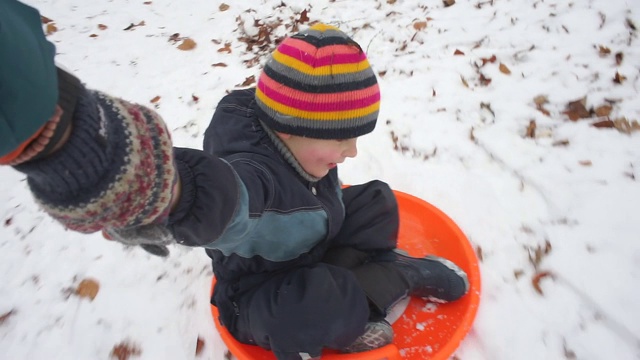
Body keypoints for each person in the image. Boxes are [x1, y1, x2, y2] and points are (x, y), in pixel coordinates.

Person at [1, 1, 469, 359]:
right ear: (289, 127)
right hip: (258, 293)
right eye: (342, 140)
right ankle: (388, 279)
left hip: (313, 240)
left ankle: (353, 275)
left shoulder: (299, 139)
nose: (351, 152)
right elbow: (224, 197)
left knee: (379, 200)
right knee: (316, 308)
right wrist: (174, 194)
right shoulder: (254, 176)